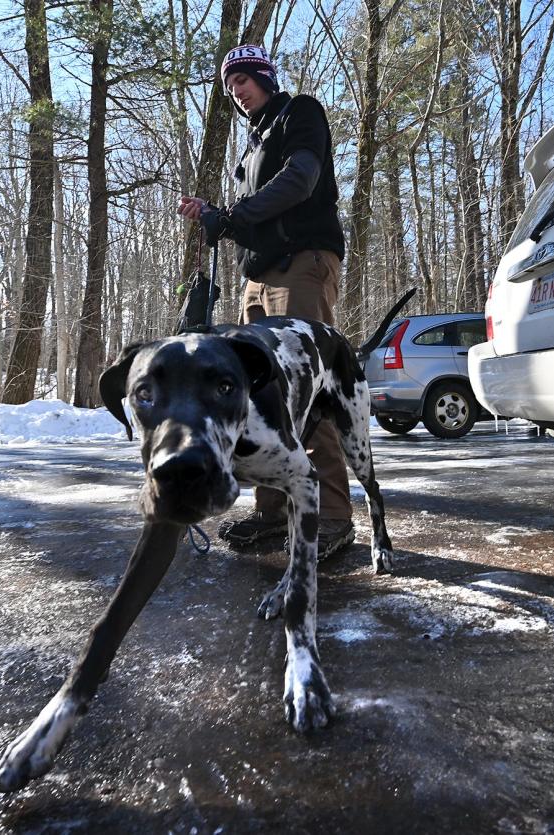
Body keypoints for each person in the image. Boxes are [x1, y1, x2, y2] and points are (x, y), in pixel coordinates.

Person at [178, 44, 354, 559]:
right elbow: (248, 215)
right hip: (257, 277)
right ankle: (273, 515)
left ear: (264, 76)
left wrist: (233, 215)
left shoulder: (299, 112)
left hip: (302, 264)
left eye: (244, 79)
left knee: (308, 394)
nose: (237, 90)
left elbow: (300, 180)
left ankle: (334, 520)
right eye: (230, 84)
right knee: (260, 397)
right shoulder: (250, 148)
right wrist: (217, 216)